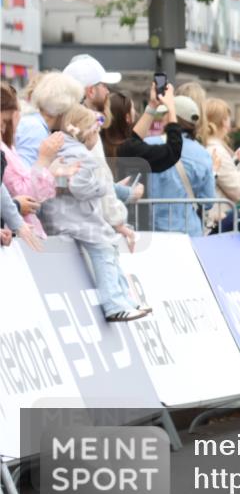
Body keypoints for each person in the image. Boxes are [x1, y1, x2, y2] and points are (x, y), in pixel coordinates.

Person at [40, 104, 148, 322]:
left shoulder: (60, 151)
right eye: (96, 132)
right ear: (85, 132)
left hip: (64, 216)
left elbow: (62, 182)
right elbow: (78, 187)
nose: (97, 138)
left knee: (108, 247)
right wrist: (102, 186)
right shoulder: (82, 156)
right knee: (106, 249)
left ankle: (125, 299)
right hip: (76, 219)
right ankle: (115, 304)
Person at [2, 82, 79, 240]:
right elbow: (25, 193)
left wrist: (51, 171)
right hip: (17, 232)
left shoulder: (25, 132)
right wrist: (45, 163)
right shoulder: (35, 129)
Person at [145, 95, 215, 236]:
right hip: (188, 231)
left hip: (151, 231)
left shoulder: (148, 144)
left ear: (171, 117)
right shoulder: (203, 154)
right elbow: (208, 201)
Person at [198, 97, 240, 224]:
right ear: (223, 122)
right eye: (227, 118)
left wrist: (237, 160)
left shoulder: (205, 147)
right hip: (220, 223)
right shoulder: (218, 151)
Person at [103, 85, 184, 175]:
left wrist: (153, 105)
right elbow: (172, 152)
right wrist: (171, 108)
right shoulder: (128, 149)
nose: (135, 112)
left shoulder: (105, 142)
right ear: (127, 117)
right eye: (132, 108)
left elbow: (134, 139)